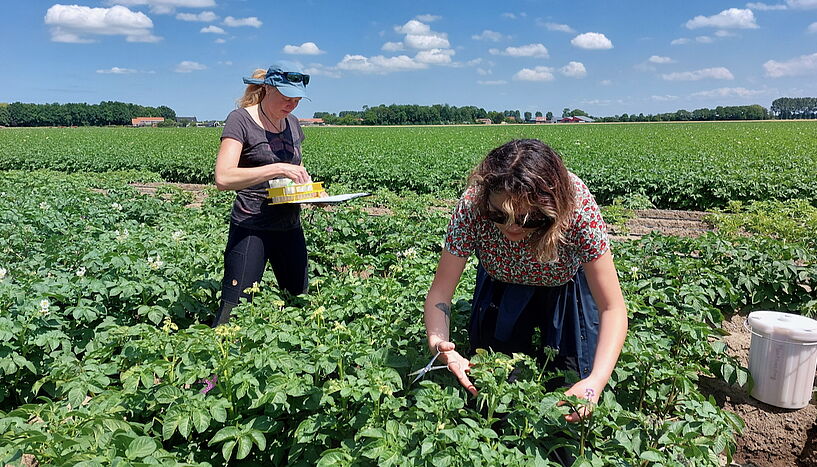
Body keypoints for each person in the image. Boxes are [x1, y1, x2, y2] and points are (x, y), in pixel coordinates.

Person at [423, 139, 628, 422]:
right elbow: (440, 294)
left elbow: (612, 307)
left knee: (570, 382)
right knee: (494, 385)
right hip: (501, 284)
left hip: (563, 286)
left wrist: (596, 381)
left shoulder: (576, 205)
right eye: (498, 215)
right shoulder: (473, 205)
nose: (512, 227)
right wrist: (438, 342)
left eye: (528, 218)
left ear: (552, 207)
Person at [212, 61, 317, 326]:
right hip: (251, 227)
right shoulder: (241, 120)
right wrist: (276, 168)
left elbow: (298, 169)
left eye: (297, 99)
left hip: (289, 226)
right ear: (268, 89)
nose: (292, 104)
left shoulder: (292, 123)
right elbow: (223, 177)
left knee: (299, 301)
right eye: (286, 97)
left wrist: (310, 191)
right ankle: (218, 365)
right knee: (235, 307)